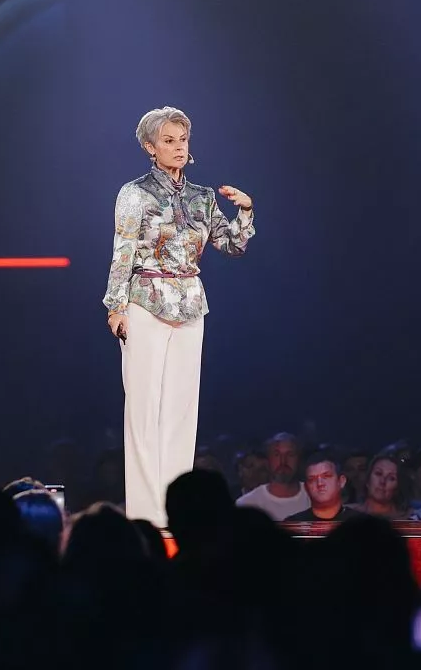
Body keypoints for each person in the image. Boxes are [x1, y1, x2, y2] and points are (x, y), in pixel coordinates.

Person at [103, 105, 255, 527]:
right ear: (150, 147)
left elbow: (232, 245)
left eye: (182, 139)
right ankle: (146, 515)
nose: (178, 147)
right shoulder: (135, 193)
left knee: (182, 413)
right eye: (168, 141)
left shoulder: (202, 197)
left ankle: (177, 512)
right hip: (145, 301)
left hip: (189, 304)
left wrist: (245, 211)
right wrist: (115, 306)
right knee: (143, 411)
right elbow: (122, 250)